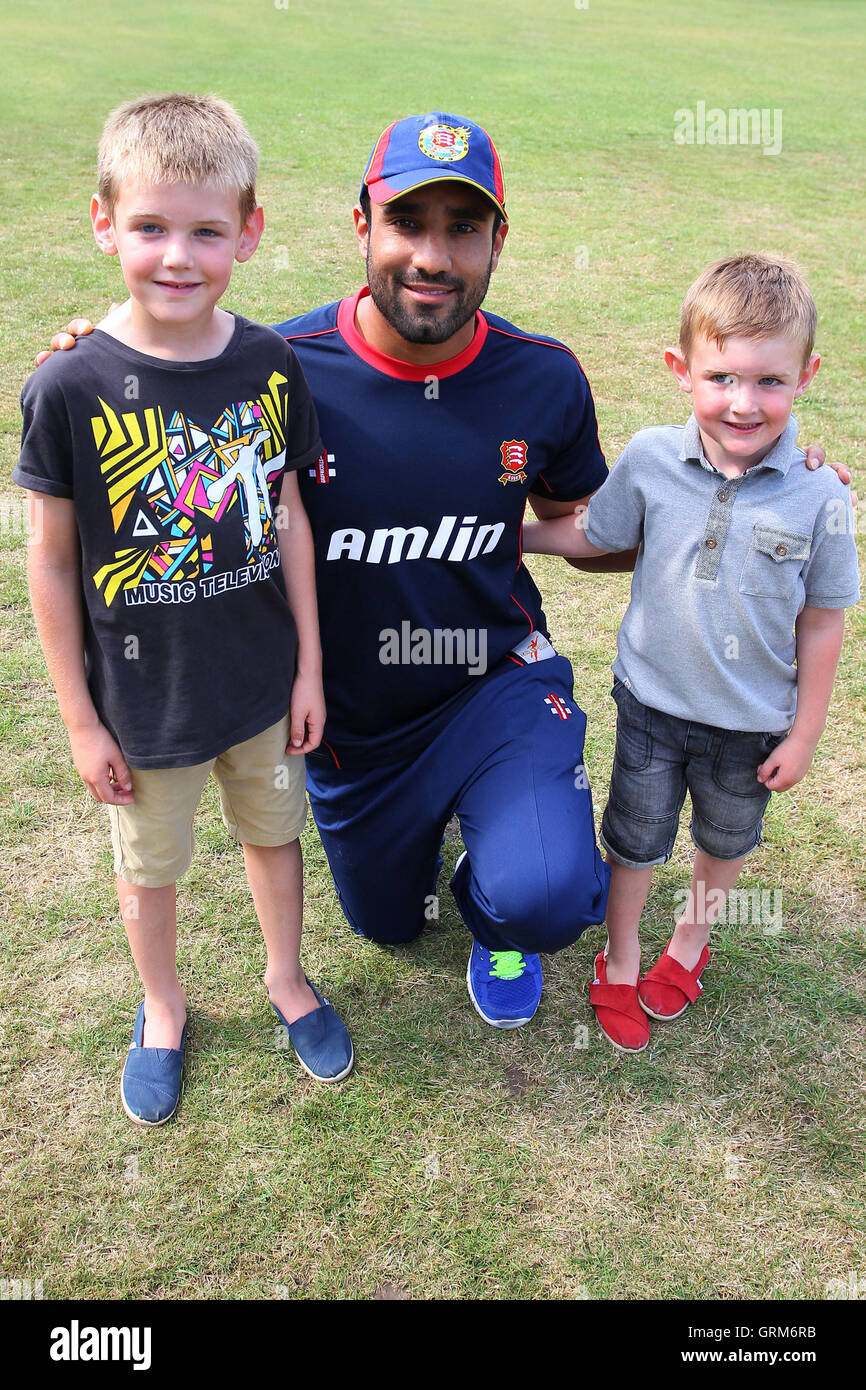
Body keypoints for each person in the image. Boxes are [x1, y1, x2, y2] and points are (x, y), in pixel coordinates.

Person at [35, 112, 847, 1036]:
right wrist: (88, 348)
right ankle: (432, 839)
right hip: (353, 721)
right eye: (408, 224)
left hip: (493, 686)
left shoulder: (541, 378)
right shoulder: (279, 370)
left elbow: (597, 527)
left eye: (463, 228)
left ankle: (499, 889)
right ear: (361, 228)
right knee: (385, 925)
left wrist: (765, 481)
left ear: (498, 241)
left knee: (544, 897)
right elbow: (155, 373)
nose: (433, 255)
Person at [15, 93, 353, 1127]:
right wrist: (78, 717)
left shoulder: (268, 364)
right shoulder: (69, 383)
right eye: (151, 226)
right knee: (149, 869)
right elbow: (51, 559)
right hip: (141, 701)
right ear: (103, 222)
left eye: (207, 230)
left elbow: (290, 515)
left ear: (248, 231)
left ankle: (285, 978)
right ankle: (161, 1006)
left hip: (256, 682)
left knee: (271, 834)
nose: (177, 255)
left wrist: (306, 668)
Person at [522, 253, 860, 1052]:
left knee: (722, 845)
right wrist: (512, 536)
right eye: (722, 379)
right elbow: (593, 534)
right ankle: (624, 954)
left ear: (806, 374)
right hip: (649, 707)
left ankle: (688, 946)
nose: (744, 404)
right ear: (681, 370)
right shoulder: (647, 458)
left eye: (770, 382)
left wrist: (805, 733)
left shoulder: (822, 496)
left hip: (751, 727)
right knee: (633, 843)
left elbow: (823, 620)